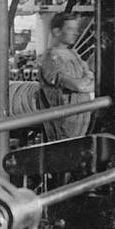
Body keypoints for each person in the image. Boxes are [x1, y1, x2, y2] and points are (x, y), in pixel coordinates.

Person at [38, 12, 95, 140]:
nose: (76, 33)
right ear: (57, 31)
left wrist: (84, 82)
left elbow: (89, 81)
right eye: (70, 29)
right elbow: (78, 85)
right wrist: (86, 82)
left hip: (81, 119)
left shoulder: (73, 54)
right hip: (63, 124)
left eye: (76, 29)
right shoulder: (50, 58)